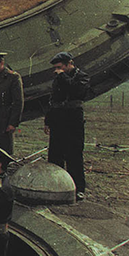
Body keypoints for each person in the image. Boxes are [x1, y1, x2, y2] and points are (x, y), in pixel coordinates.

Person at [44, 51, 91, 200]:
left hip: (73, 121)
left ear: (69, 63)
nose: (57, 70)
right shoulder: (59, 78)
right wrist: (48, 121)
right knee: (55, 155)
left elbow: (77, 91)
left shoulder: (82, 77)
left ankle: (78, 188)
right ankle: (55, 186)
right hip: (58, 120)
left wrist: (62, 76)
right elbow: (53, 99)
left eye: (60, 67)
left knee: (74, 155)